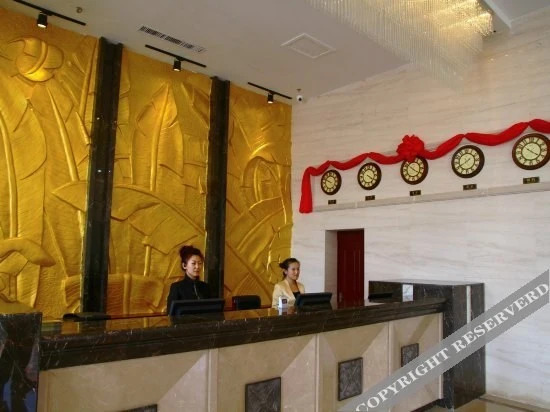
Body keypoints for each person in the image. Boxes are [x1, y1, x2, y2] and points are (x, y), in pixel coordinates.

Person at [167, 245, 211, 312]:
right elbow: (171, 313)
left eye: (200, 263)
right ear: (184, 265)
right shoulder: (177, 287)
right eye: (193, 263)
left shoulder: (206, 287)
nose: (197, 267)